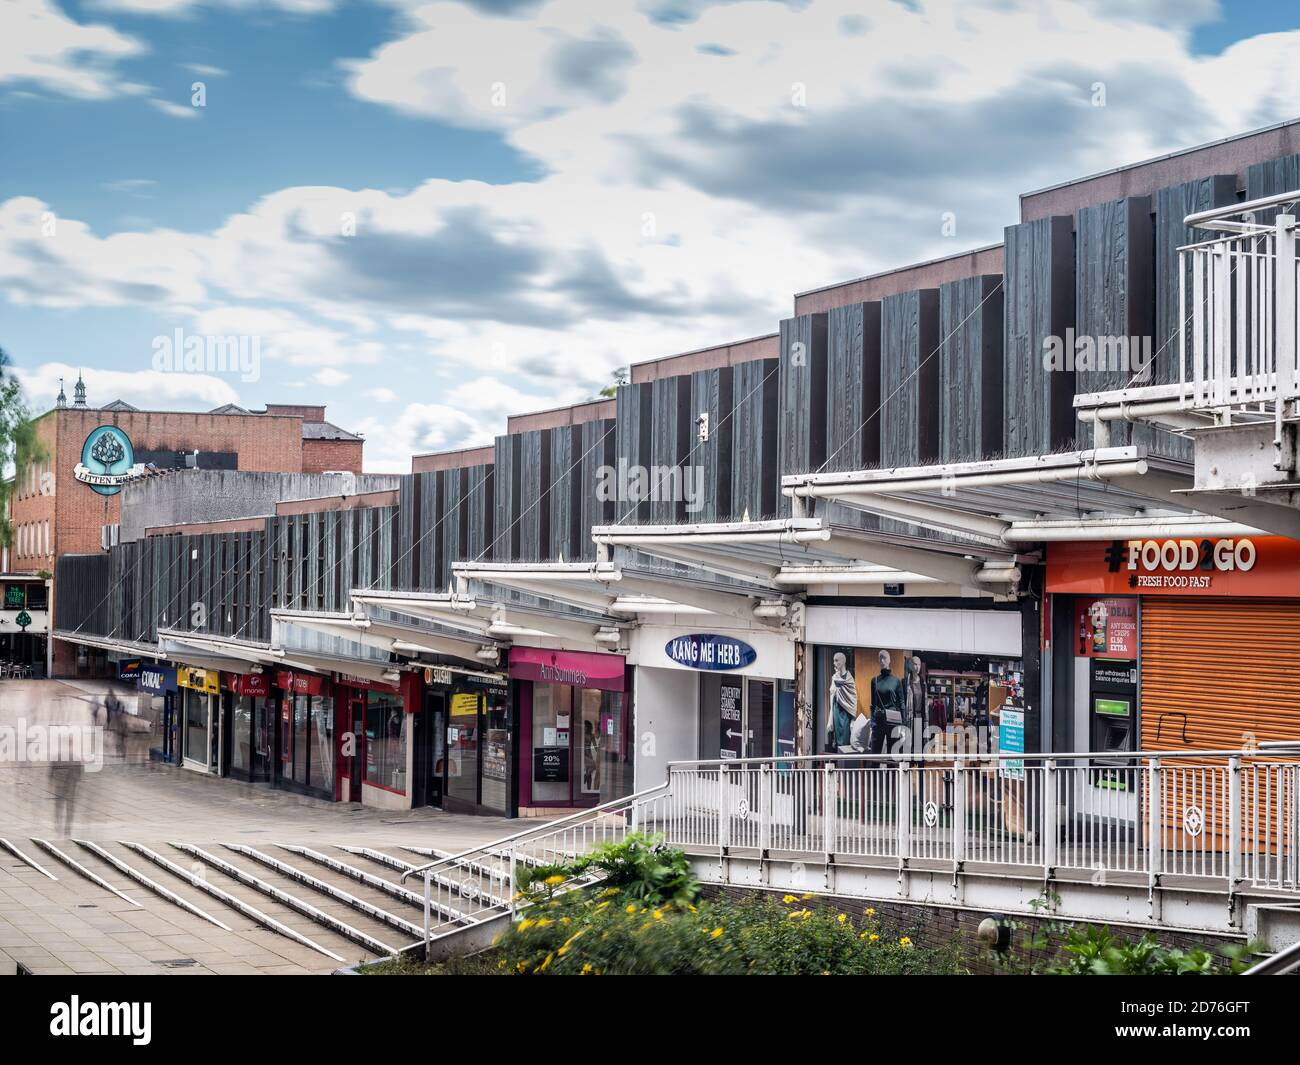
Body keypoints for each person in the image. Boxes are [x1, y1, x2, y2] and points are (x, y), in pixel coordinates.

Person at [869, 650, 906, 756]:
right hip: (879, 721)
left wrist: (903, 725)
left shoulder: (896, 681)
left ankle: (893, 773)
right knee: (875, 755)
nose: (882, 660)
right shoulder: (874, 680)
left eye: (884, 657)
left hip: (893, 721)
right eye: (880, 658)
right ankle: (875, 773)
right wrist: (872, 723)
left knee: (893, 756)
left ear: (889, 660)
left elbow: (901, 703)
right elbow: (873, 704)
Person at [826, 651, 859, 751]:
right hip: (836, 710)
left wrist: (853, 718)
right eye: (833, 661)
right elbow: (832, 697)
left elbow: (853, 699)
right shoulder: (834, 678)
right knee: (836, 737)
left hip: (846, 713)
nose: (834, 663)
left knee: (845, 737)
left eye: (836, 661)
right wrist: (830, 718)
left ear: (843, 661)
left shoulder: (849, 680)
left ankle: (843, 762)